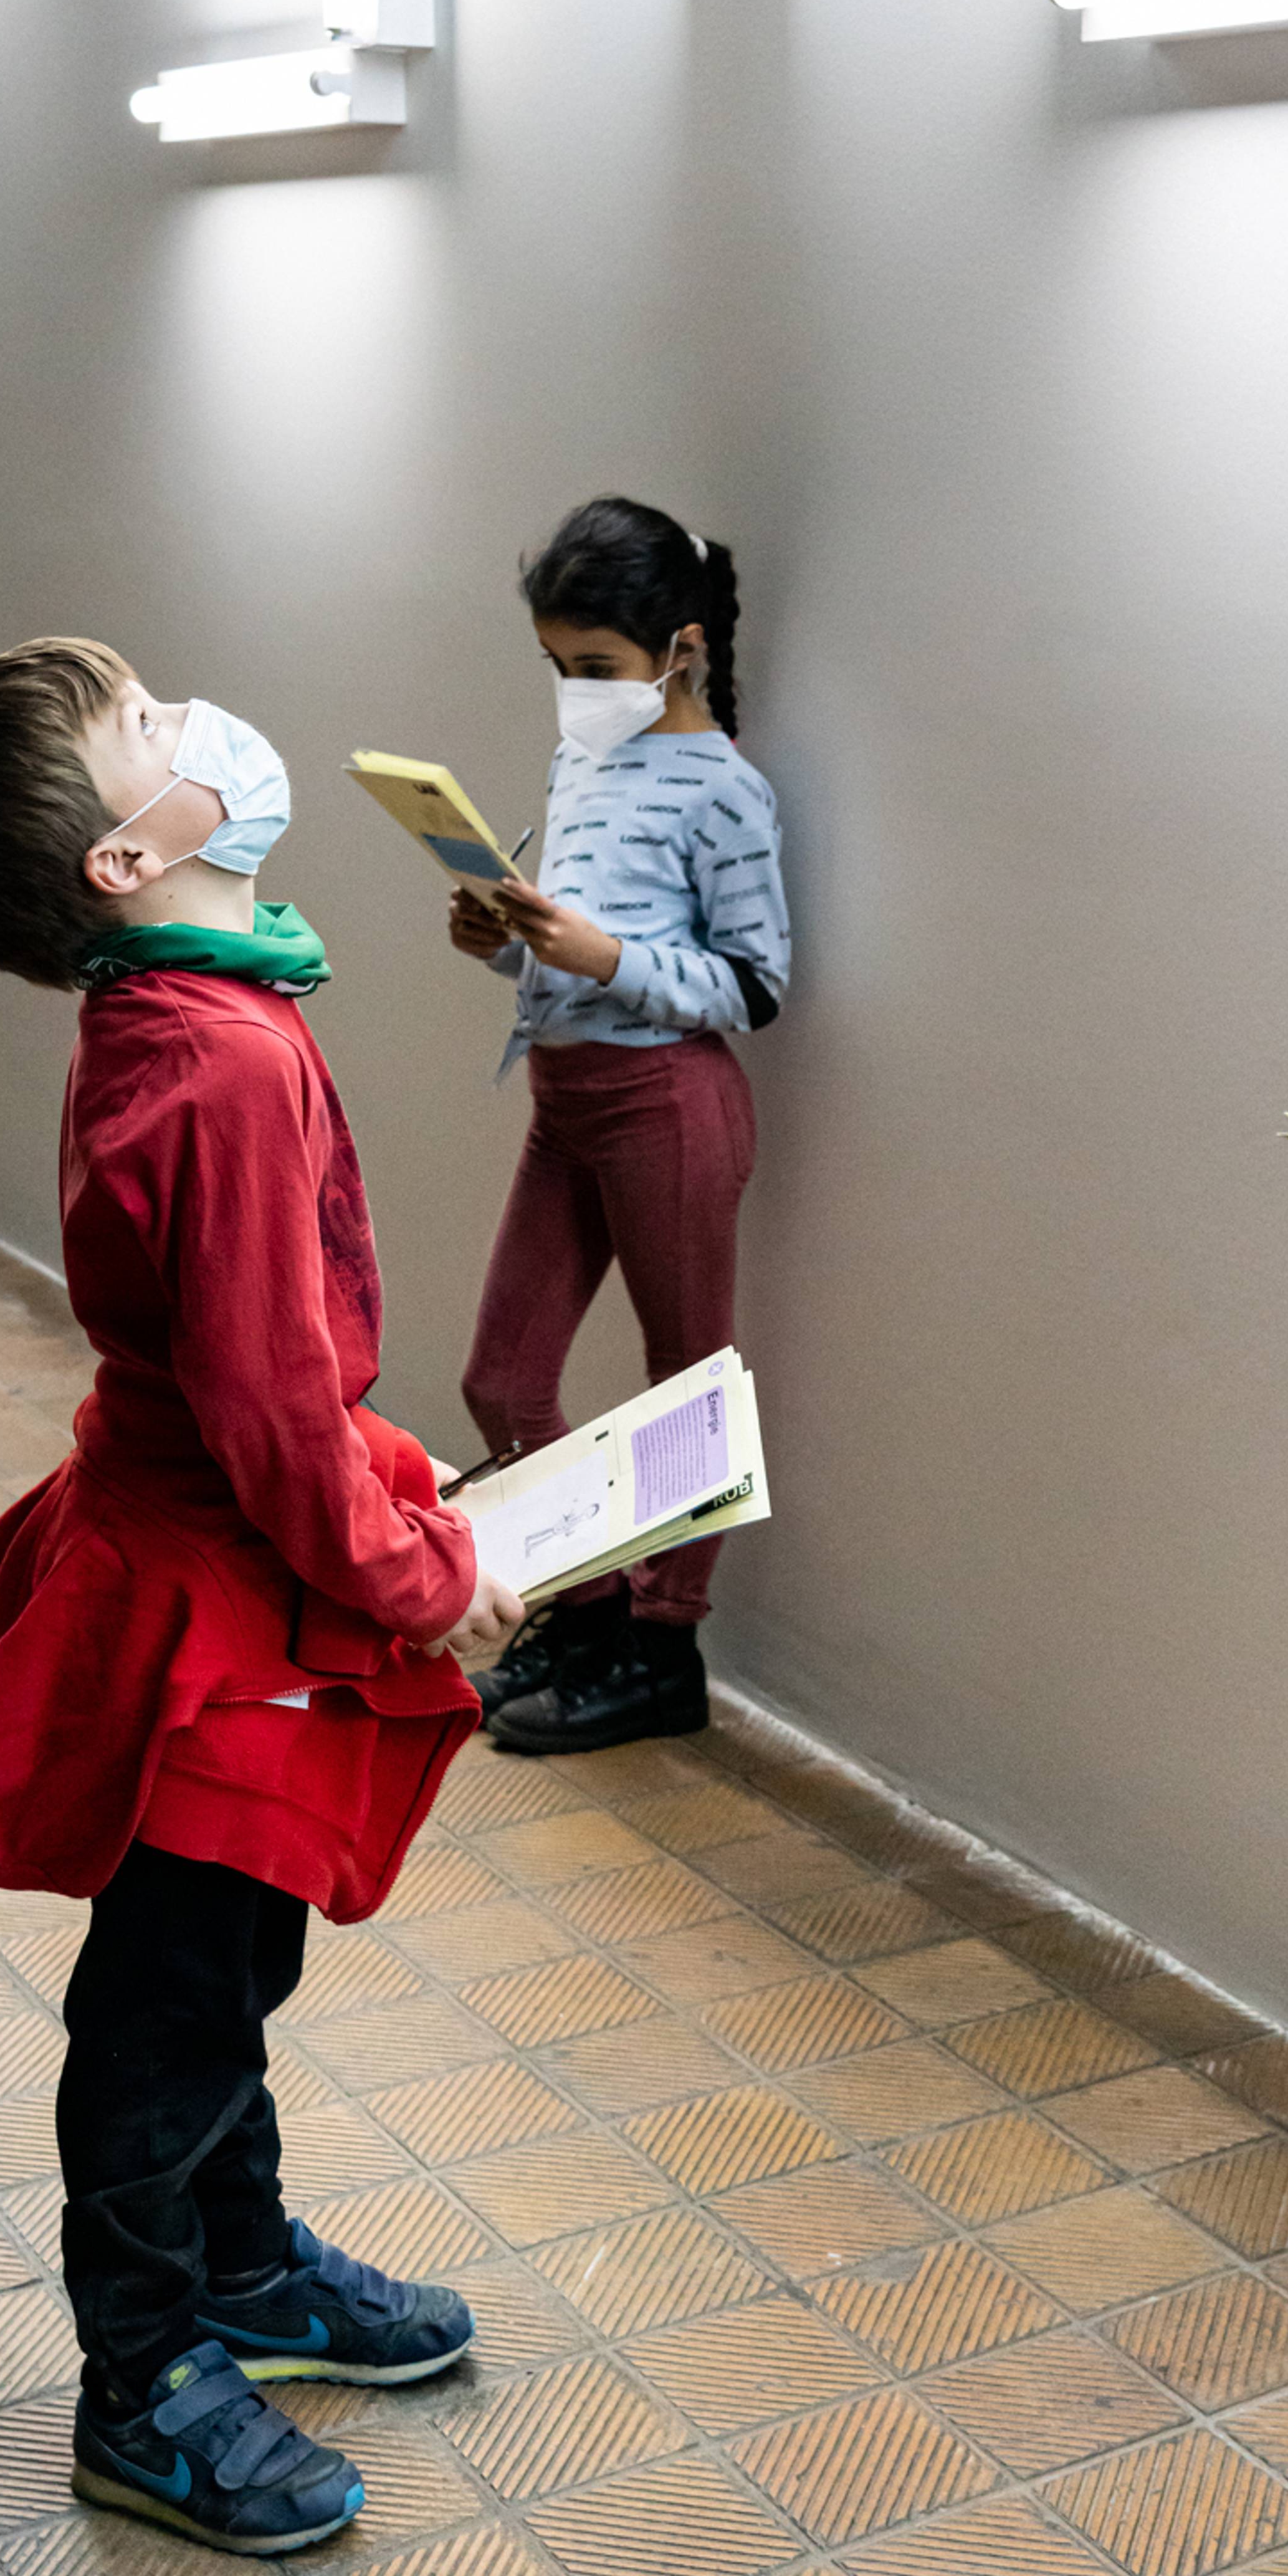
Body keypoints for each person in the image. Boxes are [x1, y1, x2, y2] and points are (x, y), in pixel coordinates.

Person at [0, 644, 525, 2555]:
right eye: (149, 729)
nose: (194, 725)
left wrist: (387, 1488)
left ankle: (241, 2272)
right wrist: (427, 1571)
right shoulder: (219, 1055)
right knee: (169, 2001)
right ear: (119, 861)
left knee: (229, 1964)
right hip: (208, 1620)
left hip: (212, 1565)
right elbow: (263, 1408)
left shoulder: (195, 1008)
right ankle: (144, 2380)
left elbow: (268, 1372)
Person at [449, 498, 790, 1754]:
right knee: (502, 1375)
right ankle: (591, 1607)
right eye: (558, 667)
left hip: (669, 1105)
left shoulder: (727, 791)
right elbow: (571, 959)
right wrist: (509, 944)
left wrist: (609, 953)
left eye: (593, 667)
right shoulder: (584, 762)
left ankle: (663, 1648)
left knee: (684, 1393)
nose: (575, 692)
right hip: (568, 1097)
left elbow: (755, 987)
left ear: (679, 649)